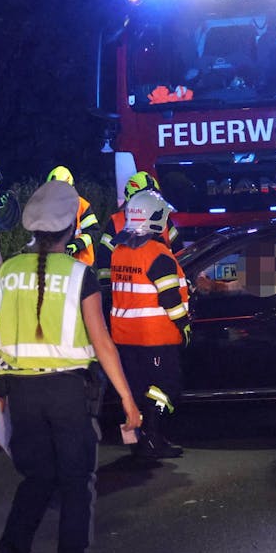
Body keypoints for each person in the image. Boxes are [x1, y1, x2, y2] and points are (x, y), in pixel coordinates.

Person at [0, 180, 143, 553]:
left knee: (37, 477)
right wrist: (129, 402)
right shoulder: (79, 275)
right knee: (77, 482)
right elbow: (103, 343)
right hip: (67, 392)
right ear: (71, 228)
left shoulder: (4, 273)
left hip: (20, 391)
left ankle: (10, 550)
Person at [108, 189, 188, 459]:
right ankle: (152, 437)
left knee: (140, 391)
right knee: (168, 387)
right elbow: (170, 299)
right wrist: (184, 325)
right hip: (156, 337)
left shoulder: (120, 251)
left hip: (124, 337)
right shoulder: (158, 254)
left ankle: (141, 441)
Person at [94, 170, 180, 283]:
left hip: (160, 287)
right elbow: (104, 260)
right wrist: (107, 288)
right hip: (127, 292)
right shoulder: (116, 222)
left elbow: (179, 253)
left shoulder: (163, 220)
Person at [47, 166, 101, 264]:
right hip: (58, 264)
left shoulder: (82, 206)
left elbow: (93, 231)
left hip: (81, 263)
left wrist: (77, 245)